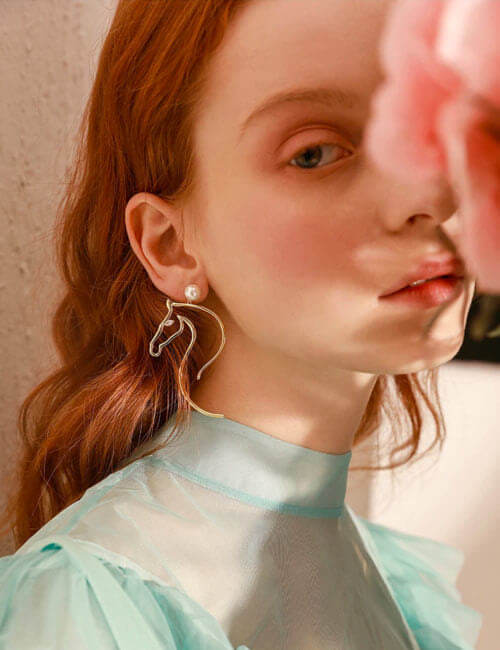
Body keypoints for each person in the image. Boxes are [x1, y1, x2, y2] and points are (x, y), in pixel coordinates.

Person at [0, 0, 483, 648]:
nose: (433, 196)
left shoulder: (384, 576)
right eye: (315, 154)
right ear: (169, 245)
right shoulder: (96, 600)